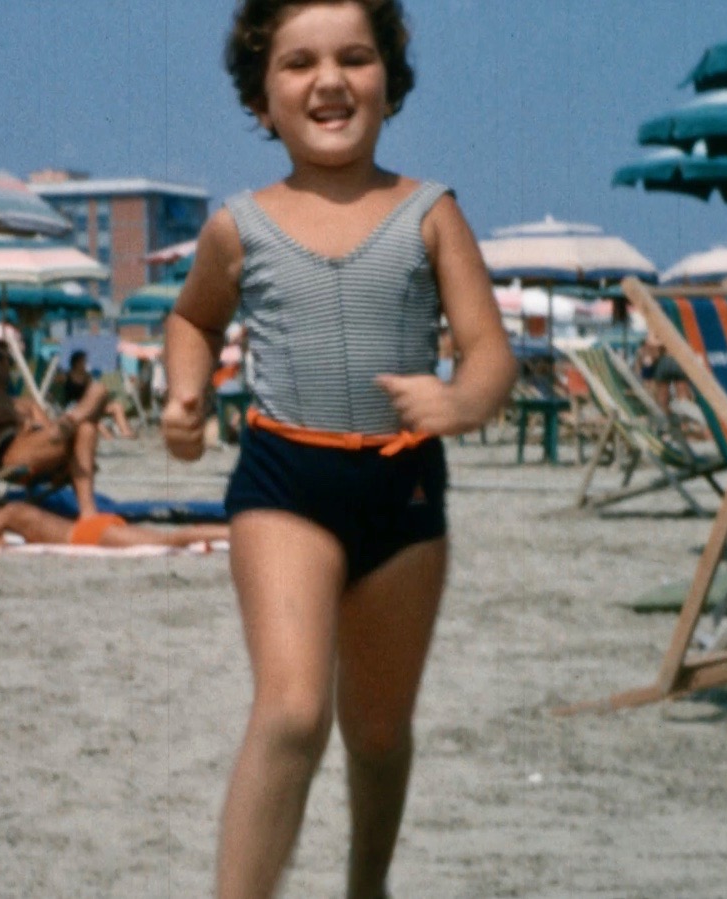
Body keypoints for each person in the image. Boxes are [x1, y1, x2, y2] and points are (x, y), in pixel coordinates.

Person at [161, 2, 516, 896]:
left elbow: (491, 356)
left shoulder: (430, 213)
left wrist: (461, 399)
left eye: (355, 58)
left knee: (381, 731)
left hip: (404, 495)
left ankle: (367, 884)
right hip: (286, 481)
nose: (329, 80)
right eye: (298, 64)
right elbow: (191, 318)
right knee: (290, 711)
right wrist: (184, 390)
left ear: (388, 82)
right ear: (262, 98)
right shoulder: (238, 226)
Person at [0, 340, 107, 514]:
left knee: (88, 425)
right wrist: (19, 418)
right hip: (11, 453)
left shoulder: (27, 403)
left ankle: (88, 514)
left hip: (42, 448)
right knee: (88, 409)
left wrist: (27, 423)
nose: (4, 363)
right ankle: (75, 417)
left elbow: (48, 432)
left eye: (8, 360)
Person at [0, 500, 228, 550]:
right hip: (92, 528)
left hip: (86, 536)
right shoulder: (20, 513)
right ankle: (229, 532)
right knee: (167, 537)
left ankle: (231, 532)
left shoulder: (11, 511)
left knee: (170, 539)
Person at [54, 350, 137, 439]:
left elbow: (92, 392)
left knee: (117, 406)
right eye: (83, 361)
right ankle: (108, 436)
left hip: (88, 405)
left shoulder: (87, 377)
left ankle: (125, 431)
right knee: (91, 416)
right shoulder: (67, 376)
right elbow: (54, 381)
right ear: (76, 363)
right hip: (74, 406)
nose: (85, 364)